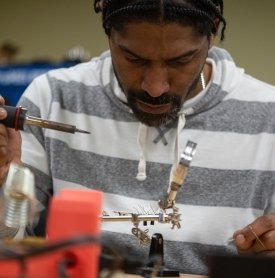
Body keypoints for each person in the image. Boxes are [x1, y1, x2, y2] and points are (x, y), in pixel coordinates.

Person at [1, 0, 275, 275]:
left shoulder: (269, 116)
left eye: (180, 60)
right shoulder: (53, 98)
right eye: (134, 58)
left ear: (213, 32)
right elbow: (9, 251)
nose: (155, 88)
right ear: (108, 31)